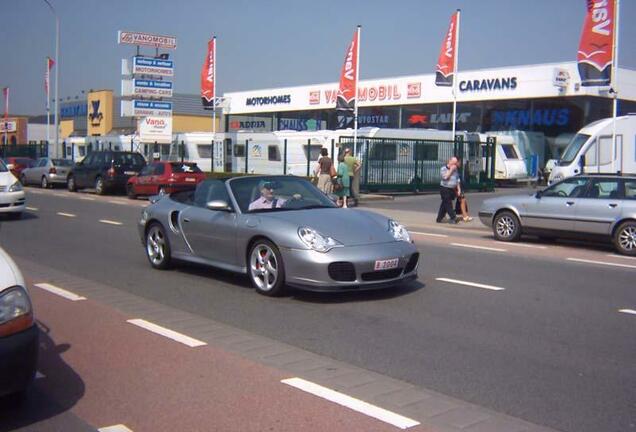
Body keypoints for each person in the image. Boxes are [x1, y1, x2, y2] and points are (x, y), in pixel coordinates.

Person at [436, 156, 460, 224]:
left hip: (452, 189)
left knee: (444, 203)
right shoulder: (443, 169)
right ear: (449, 161)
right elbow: (445, 177)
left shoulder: (456, 170)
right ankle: (453, 217)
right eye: (453, 163)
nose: (455, 165)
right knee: (448, 203)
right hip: (445, 188)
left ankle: (439, 218)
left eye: (455, 163)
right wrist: (451, 170)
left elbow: (457, 179)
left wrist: (458, 189)